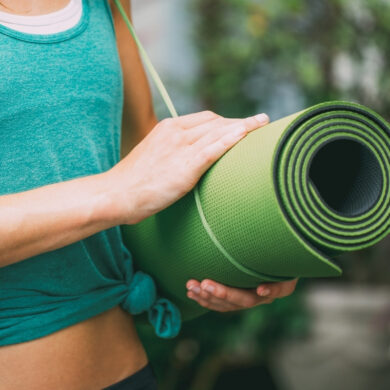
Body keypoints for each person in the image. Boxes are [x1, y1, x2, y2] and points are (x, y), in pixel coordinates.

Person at [0, 0, 298, 389]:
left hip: (128, 373)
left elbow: (150, 173)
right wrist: (116, 191)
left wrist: (253, 249)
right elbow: (131, 186)